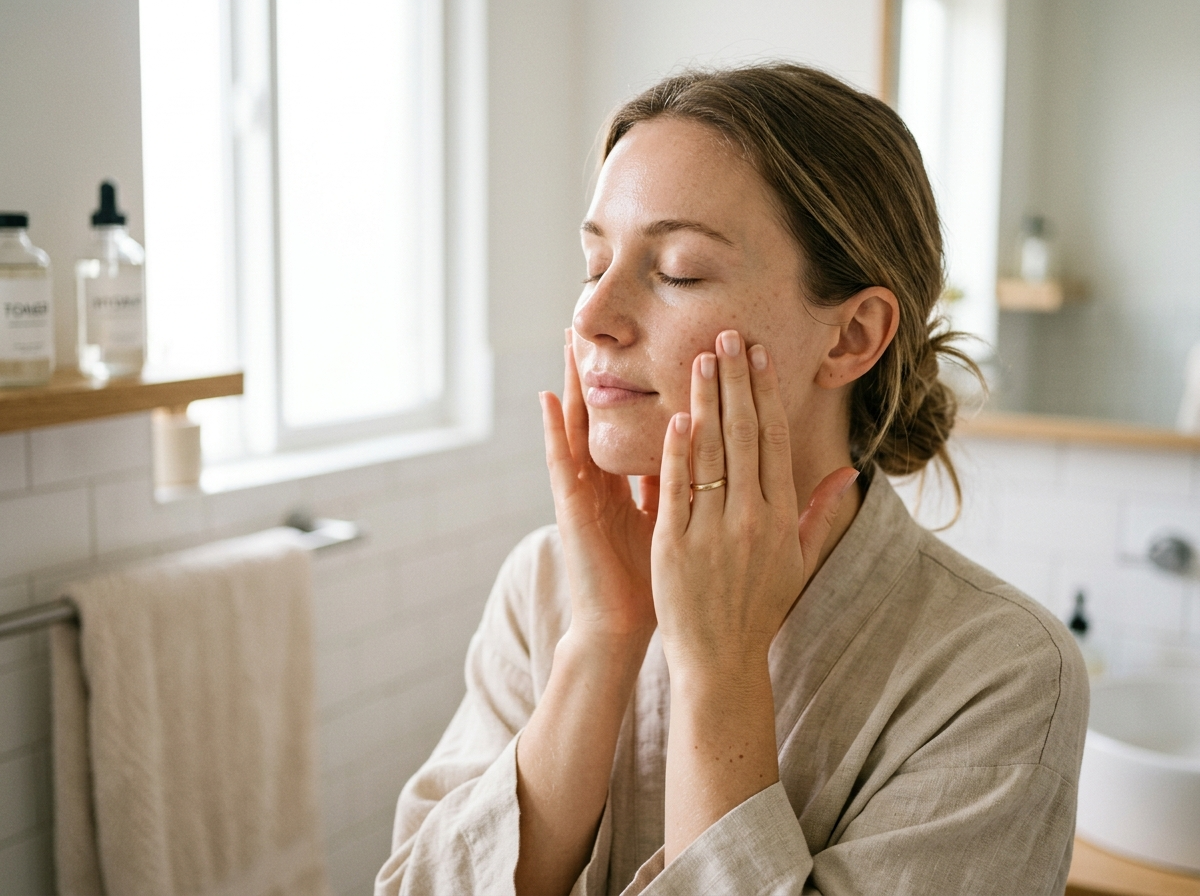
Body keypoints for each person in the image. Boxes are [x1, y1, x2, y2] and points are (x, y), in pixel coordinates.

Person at [375, 63, 1088, 896]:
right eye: (593, 262)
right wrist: (603, 641)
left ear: (852, 336)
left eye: (677, 270)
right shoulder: (545, 585)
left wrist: (720, 673)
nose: (591, 318)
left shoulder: (1000, 674)